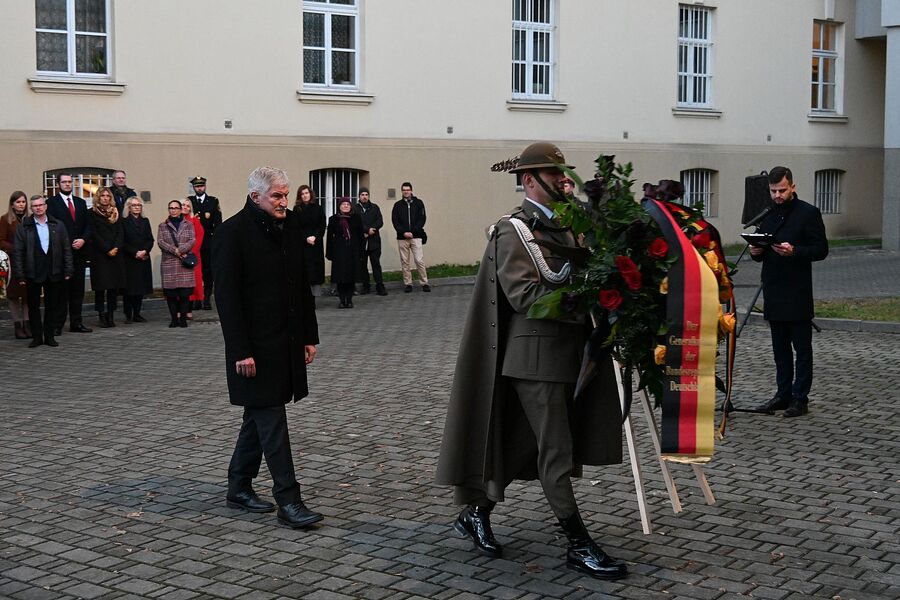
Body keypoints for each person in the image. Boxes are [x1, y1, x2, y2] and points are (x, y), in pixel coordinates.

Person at [435, 142, 627, 580]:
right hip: (535, 359)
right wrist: (586, 299)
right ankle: (578, 545)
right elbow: (525, 296)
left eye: (563, 173)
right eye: (553, 174)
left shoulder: (569, 225)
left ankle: (475, 513)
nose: (563, 180)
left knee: (523, 444)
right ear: (528, 180)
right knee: (556, 450)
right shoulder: (513, 231)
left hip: (570, 356)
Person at [213, 166, 322, 529]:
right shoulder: (232, 233)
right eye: (277, 196)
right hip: (254, 348)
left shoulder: (289, 226)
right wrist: (240, 351)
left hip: (286, 341)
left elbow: (301, 285)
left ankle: (238, 486)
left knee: (259, 416)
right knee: (271, 420)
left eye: (286, 195)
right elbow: (227, 298)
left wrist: (309, 335)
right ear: (255, 196)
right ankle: (289, 500)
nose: (283, 202)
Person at [751, 166, 829, 418]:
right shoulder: (768, 214)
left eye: (782, 190)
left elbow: (821, 249)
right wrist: (756, 251)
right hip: (773, 288)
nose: (777, 195)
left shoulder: (808, 213)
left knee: (802, 349)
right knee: (780, 349)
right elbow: (761, 249)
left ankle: (800, 398)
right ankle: (782, 394)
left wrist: (795, 251)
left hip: (797, 290)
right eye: (773, 191)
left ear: (792, 187)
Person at [12, 195, 73, 348]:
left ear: (45, 206)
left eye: (40, 205)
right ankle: (37, 337)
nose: (38, 208)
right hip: (33, 271)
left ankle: (50, 336)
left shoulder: (58, 225)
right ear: (31, 208)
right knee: (33, 307)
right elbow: (18, 252)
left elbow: (66, 248)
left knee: (52, 305)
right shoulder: (24, 227)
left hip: (53, 270)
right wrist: (20, 274)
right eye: (35, 206)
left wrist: (68, 269)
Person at [47, 173, 92, 334]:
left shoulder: (80, 202)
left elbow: (88, 225)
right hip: (62, 254)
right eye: (64, 182)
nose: (67, 184)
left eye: (69, 182)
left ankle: (76, 323)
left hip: (79, 253)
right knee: (61, 291)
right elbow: (51, 227)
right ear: (58, 184)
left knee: (77, 290)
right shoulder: (51, 203)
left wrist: (83, 240)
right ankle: (57, 325)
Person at [89, 187, 127, 328]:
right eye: (102, 196)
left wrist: (116, 247)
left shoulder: (116, 213)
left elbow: (120, 232)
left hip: (115, 255)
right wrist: (106, 249)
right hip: (100, 255)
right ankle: (101, 315)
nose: (105, 198)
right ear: (98, 197)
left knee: (113, 288)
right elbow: (94, 234)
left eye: (107, 196)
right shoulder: (92, 213)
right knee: (100, 288)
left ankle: (110, 315)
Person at [157, 200, 196, 328]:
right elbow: (160, 242)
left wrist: (182, 249)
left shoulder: (188, 224)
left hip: (184, 263)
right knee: (171, 295)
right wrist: (175, 250)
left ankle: (183, 319)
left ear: (180, 210)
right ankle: (174, 319)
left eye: (176, 208)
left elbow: (192, 240)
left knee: (185, 294)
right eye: (171, 208)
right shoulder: (163, 226)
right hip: (169, 263)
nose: (173, 210)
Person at [188, 176, 222, 310]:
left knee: (208, 272)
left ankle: (207, 298)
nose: (199, 188)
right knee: (195, 271)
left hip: (208, 242)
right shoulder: (189, 201)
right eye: (197, 186)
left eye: (201, 186)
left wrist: (216, 242)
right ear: (193, 187)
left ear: (205, 186)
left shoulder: (213, 201)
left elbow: (218, 223)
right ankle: (197, 298)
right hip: (194, 242)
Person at [1, 191, 30, 339]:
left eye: (23, 202)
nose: (21, 204)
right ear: (12, 204)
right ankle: (17, 325)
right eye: (18, 202)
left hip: (29, 262)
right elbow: (1, 240)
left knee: (27, 295)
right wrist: (15, 248)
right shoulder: (5, 219)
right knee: (13, 295)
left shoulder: (30, 219)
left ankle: (27, 324)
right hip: (12, 262)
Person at [391, 181, 430, 293]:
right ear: (402, 191)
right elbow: (395, 221)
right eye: (404, 190)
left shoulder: (419, 203)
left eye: (408, 190)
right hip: (402, 238)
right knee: (405, 262)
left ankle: (424, 283)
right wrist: (403, 232)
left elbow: (422, 218)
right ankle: (408, 283)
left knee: (419, 260)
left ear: (411, 190)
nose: (406, 192)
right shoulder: (397, 205)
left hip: (416, 236)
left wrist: (413, 231)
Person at [326, 198, 364, 309]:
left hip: (353, 251)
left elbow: (361, 236)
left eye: (348, 204)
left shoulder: (356, 218)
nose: (346, 206)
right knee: (340, 277)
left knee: (351, 277)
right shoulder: (333, 219)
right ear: (339, 206)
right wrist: (329, 253)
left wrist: (361, 251)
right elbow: (329, 238)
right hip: (339, 251)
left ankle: (349, 300)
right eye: (343, 204)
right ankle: (342, 300)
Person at [121, 197, 154, 323]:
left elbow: (150, 239)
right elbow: (122, 241)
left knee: (141, 288)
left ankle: (137, 314)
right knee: (129, 289)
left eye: (139, 205)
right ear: (128, 207)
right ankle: (128, 314)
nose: (137, 207)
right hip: (130, 259)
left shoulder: (145, 221)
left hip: (143, 258)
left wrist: (144, 250)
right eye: (134, 205)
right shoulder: (123, 221)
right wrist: (135, 252)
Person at [293, 184, 326, 298]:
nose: (304, 195)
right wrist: (305, 238)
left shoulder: (318, 208)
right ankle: (305, 296)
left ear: (310, 194)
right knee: (305, 270)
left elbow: (322, 225)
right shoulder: (297, 209)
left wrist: (315, 237)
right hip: (303, 244)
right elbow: (295, 227)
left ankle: (315, 296)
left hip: (316, 243)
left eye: (306, 193)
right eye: (302, 194)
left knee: (316, 270)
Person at [355, 187, 387, 296]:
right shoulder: (355, 209)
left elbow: (380, 221)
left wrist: (372, 229)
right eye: (362, 195)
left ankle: (380, 286)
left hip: (374, 242)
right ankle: (366, 286)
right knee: (362, 265)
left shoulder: (374, 207)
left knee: (376, 264)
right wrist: (365, 230)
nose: (364, 197)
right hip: (361, 242)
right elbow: (356, 223)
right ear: (359, 196)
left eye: (366, 195)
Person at [182, 199, 205, 319]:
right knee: (179, 284)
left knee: (192, 284)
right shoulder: (172, 220)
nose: (185, 207)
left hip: (191, 257)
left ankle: (188, 310)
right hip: (177, 256)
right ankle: (179, 310)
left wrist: (189, 252)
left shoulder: (195, 221)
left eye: (188, 206)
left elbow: (199, 237)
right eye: (183, 205)